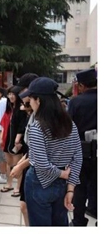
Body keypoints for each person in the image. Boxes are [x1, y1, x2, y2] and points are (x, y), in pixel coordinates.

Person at [20, 77, 82, 226]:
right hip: (61, 184)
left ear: (38, 100)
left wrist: (62, 174)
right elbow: (77, 157)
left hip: (39, 182)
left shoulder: (37, 127)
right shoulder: (69, 124)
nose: (30, 103)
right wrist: (70, 189)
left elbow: (41, 164)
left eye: (31, 99)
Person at [67, 68, 97, 225]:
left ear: (81, 85)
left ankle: (79, 220)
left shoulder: (76, 102)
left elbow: (68, 127)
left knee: (79, 187)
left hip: (81, 150)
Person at [9, 73, 39, 226]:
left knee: (29, 208)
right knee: (24, 206)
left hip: (40, 171)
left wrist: (20, 165)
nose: (21, 95)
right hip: (30, 163)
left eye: (23, 91)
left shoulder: (44, 117)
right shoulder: (31, 113)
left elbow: (40, 152)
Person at [1, 86, 28, 196]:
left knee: (17, 163)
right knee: (9, 162)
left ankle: (18, 187)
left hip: (17, 139)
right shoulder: (10, 108)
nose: (11, 96)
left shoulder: (21, 109)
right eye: (9, 94)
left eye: (13, 94)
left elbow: (22, 125)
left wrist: (18, 139)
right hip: (8, 138)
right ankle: (9, 183)